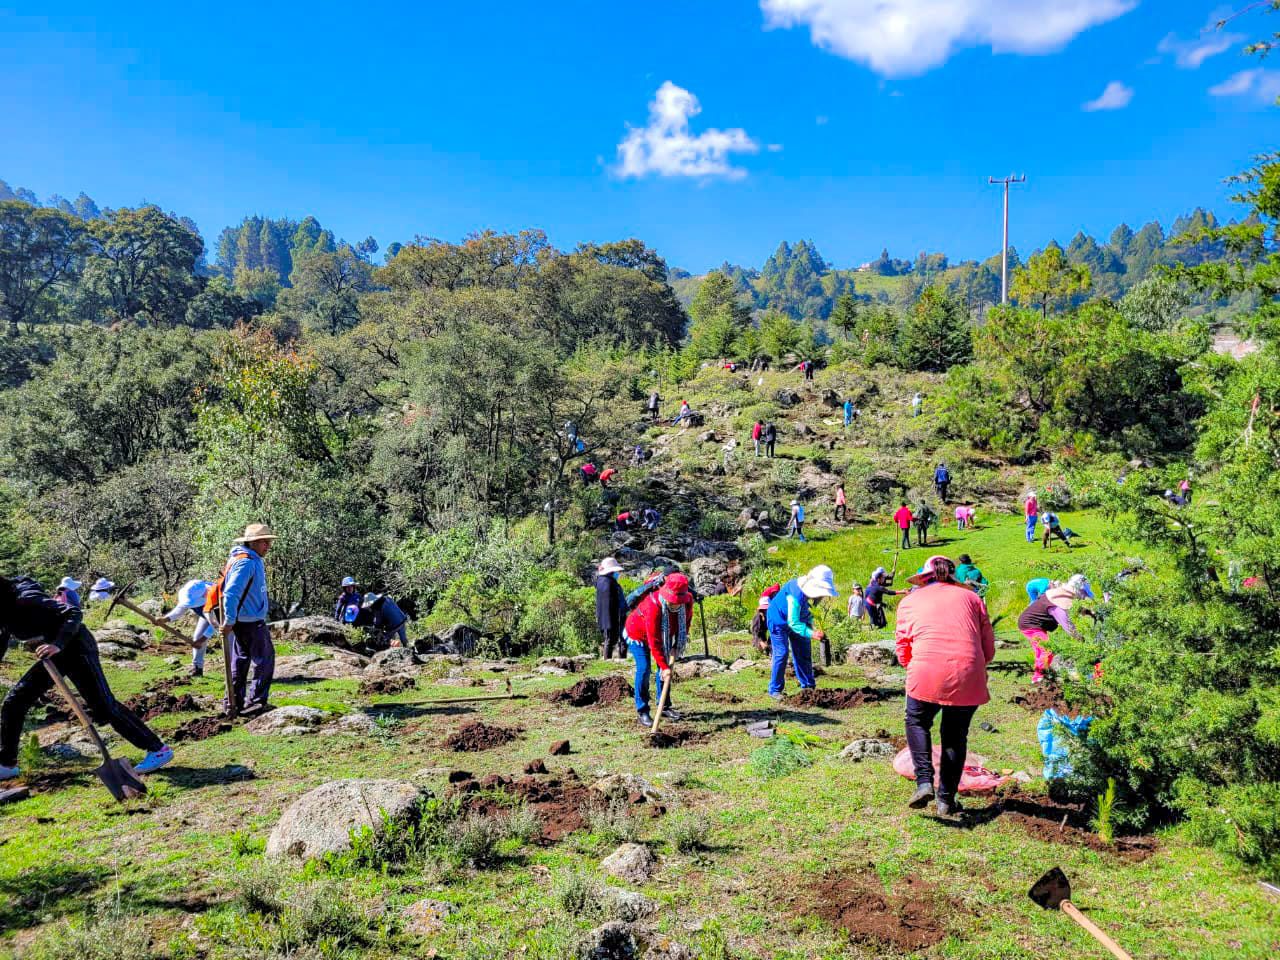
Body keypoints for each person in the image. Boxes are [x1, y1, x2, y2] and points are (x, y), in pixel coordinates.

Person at [0, 575, 172, 781]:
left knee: (104, 706)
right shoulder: (4, 610)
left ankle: (158, 749)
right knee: (15, 702)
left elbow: (73, 612)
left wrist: (58, 644)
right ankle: (7, 763)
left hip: (77, 647)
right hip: (53, 655)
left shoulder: (26, 599)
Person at [894, 555, 995, 816]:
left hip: (926, 671)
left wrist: (915, 666)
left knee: (916, 721)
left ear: (924, 578)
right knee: (954, 736)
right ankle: (946, 800)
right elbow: (988, 649)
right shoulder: (973, 599)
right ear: (953, 577)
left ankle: (925, 781)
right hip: (968, 673)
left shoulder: (909, 601)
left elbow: (903, 648)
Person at [218, 523, 276, 716]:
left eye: (268, 541)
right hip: (249, 621)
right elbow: (231, 592)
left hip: (244, 620)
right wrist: (229, 620)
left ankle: (232, 703)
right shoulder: (246, 562)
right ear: (252, 543)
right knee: (264, 660)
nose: (268, 545)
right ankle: (256, 703)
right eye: (264, 542)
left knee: (241, 661)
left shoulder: (246, 558)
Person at [625, 571, 694, 726]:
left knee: (664, 670)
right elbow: (654, 640)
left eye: (678, 601)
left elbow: (686, 623)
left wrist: (677, 646)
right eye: (672, 601)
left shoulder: (688, 601)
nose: (675, 604)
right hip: (638, 634)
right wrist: (663, 666)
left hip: (666, 633)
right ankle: (642, 710)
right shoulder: (653, 606)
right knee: (644, 668)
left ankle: (663, 706)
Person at [766, 565, 837, 700]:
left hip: (801, 621)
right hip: (778, 620)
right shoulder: (795, 594)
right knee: (782, 653)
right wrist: (812, 633)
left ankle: (808, 687)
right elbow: (793, 622)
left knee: (804, 651)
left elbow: (807, 611)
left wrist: (812, 627)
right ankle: (775, 689)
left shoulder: (811, 594)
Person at [1017, 575, 1093, 684]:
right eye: (1083, 594)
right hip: (1030, 625)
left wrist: (1089, 612)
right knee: (1046, 649)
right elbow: (1068, 626)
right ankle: (1039, 679)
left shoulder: (1061, 595)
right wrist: (1080, 639)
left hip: (1033, 624)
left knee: (1042, 650)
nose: (1083, 597)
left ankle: (1044, 675)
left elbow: (1073, 608)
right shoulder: (1057, 604)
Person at [161, 578, 217, 677]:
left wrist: (203, 639)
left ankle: (233, 675)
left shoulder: (218, 597)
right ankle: (197, 668)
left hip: (228, 621)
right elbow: (180, 610)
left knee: (229, 646)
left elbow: (217, 624)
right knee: (197, 637)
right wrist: (165, 619)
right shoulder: (192, 593)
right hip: (207, 616)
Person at [595, 557, 626, 660]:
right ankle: (609, 660)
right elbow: (613, 602)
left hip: (605, 617)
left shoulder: (601, 581)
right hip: (612, 616)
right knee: (612, 639)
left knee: (609, 639)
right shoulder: (610, 583)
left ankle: (607, 659)